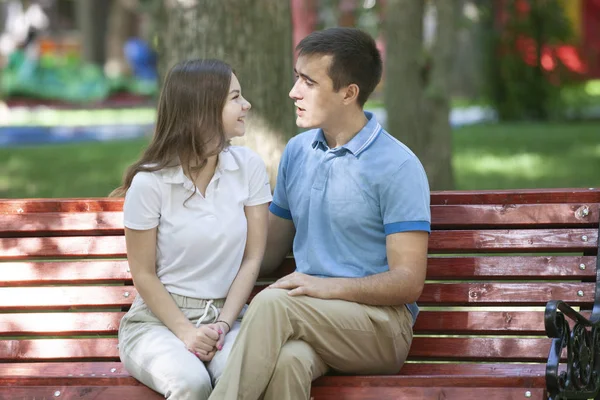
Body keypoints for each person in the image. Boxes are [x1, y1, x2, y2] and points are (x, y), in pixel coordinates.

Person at [209, 27, 431, 400]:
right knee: (288, 363)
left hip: (381, 327)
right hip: (314, 317)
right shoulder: (298, 152)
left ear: (348, 93)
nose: (294, 92)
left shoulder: (397, 166)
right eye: (297, 78)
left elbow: (409, 282)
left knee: (274, 303)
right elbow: (267, 254)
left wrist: (326, 287)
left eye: (309, 82)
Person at [112, 59, 271, 400]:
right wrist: (186, 332)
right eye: (235, 98)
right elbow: (144, 275)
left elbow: (252, 258)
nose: (246, 105)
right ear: (203, 110)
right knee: (191, 383)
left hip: (228, 318)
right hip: (159, 323)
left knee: (242, 375)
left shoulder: (249, 169)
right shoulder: (151, 183)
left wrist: (223, 324)